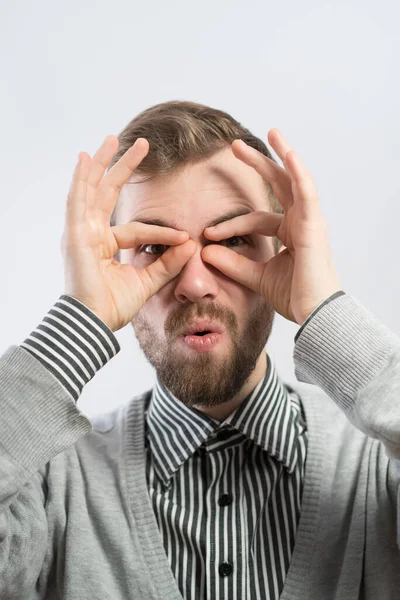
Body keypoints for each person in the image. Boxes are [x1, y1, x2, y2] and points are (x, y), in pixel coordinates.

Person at [0, 100, 399, 600]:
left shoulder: (378, 467)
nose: (193, 283)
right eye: (155, 247)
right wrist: (79, 320)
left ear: (283, 253)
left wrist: (324, 307)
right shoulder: (47, 488)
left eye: (233, 241)